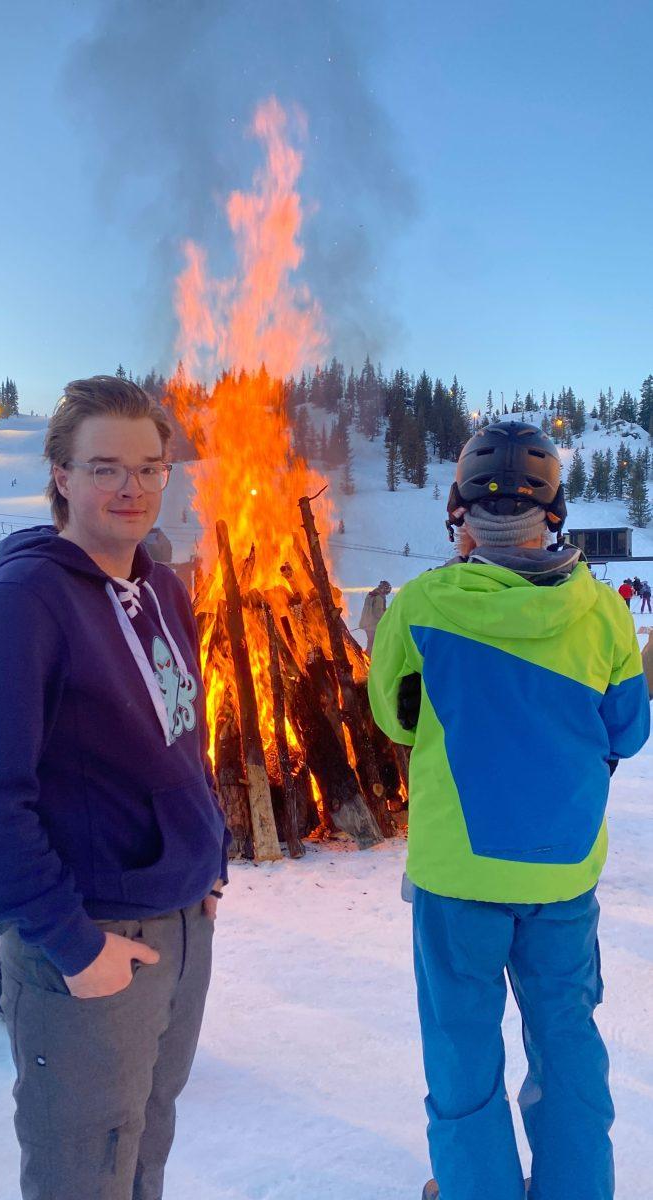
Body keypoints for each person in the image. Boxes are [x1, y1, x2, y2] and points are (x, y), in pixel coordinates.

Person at [0, 375, 230, 1200]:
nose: (132, 488)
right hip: (93, 936)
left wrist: (211, 855)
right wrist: (73, 946)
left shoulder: (164, 591)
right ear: (61, 475)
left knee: (145, 1149)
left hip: (181, 930)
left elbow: (184, 736)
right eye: (105, 467)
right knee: (84, 1172)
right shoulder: (21, 606)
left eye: (150, 466)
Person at [367, 421, 650, 1200]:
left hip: (457, 877)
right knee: (565, 1042)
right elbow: (630, 728)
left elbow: (392, 717)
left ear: (460, 508)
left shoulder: (423, 605)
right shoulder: (602, 612)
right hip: (561, 876)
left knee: (462, 1048)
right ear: (553, 509)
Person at [358, 579, 392, 654]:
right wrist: (387, 614)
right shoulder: (379, 597)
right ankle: (369, 658)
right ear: (384, 589)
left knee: (371, 642)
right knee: (373, 644)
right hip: (372, 624)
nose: (386, 594)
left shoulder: (372, 594)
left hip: (367, 623)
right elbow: (378, 613)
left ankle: (367, 657)